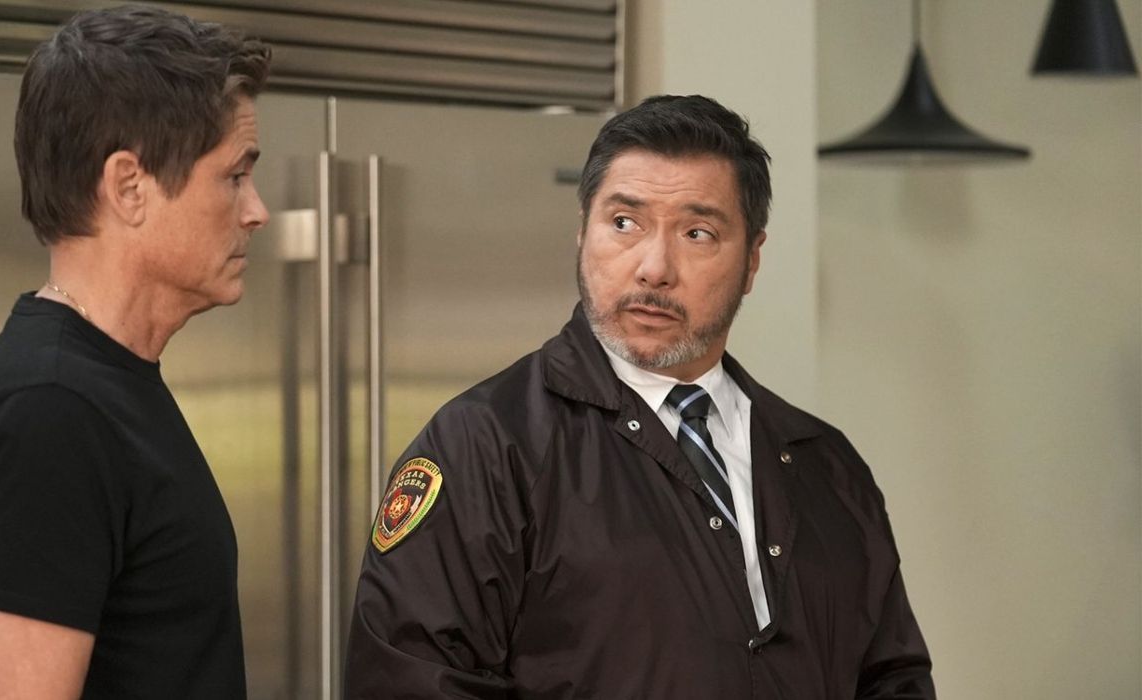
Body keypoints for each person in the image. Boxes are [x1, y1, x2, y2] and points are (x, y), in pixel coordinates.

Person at [344, 95, 934, 698]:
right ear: (581, 232)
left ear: (752, 259)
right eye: (624, 223)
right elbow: (408, 682)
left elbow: (893, 678)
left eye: (697, 233)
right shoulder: (486, 445)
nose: (654, 268)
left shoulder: (824, 463)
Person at [0, 6, 270, 699]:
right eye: (234, 175)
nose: (256, 210)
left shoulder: (104, 388)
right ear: (128, 186)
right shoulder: (44, 420)